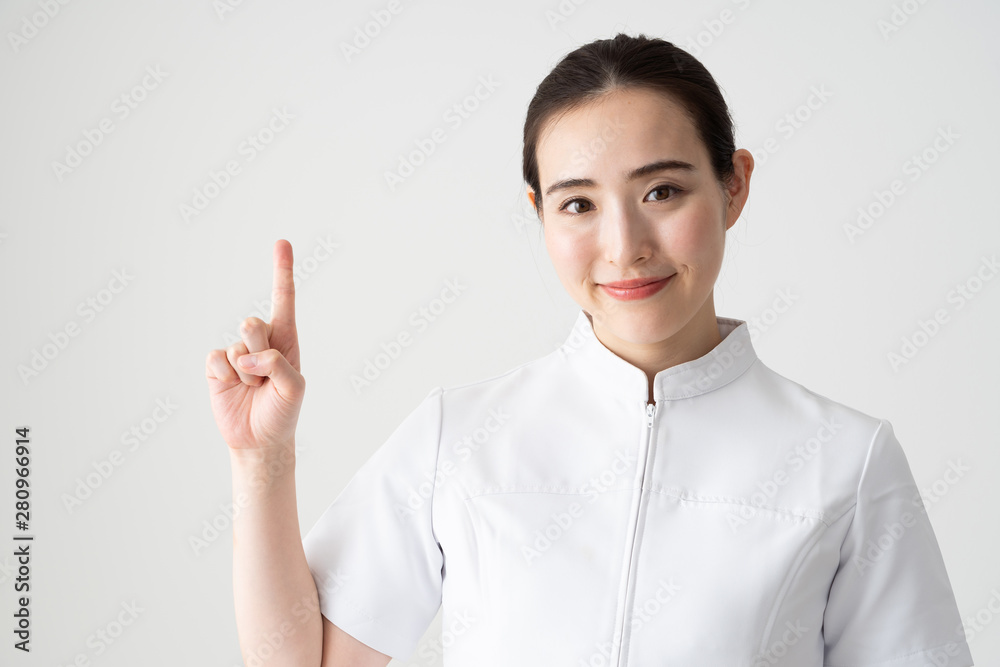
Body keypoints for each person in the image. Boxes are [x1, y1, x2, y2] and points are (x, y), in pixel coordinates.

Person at [206, 33, 974, 666]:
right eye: (578, 203)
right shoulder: (459, 436)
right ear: (539, 213)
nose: (623, 246)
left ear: (733, 185)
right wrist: (260, 459)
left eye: (662, 191)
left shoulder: (846, 459)